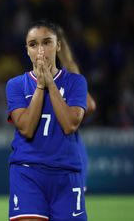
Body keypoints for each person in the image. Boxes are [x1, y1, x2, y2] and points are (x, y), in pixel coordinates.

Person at [5, 20, 88, 221]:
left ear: (58, 46)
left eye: (47, 42)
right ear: (27, 50)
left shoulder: (76, 82)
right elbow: (26, 128)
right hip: (27, 173)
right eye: (33, 44)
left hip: (66, 174)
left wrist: (50, 83)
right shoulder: (16, 85)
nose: (40, 50)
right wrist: (40, 87)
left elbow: (70, 124)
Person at [56, 26, 97, 192]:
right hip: (65, 149)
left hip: (64, 151)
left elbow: (90, 105)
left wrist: (67, 120)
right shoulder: (69, 69)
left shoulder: (67, 73)